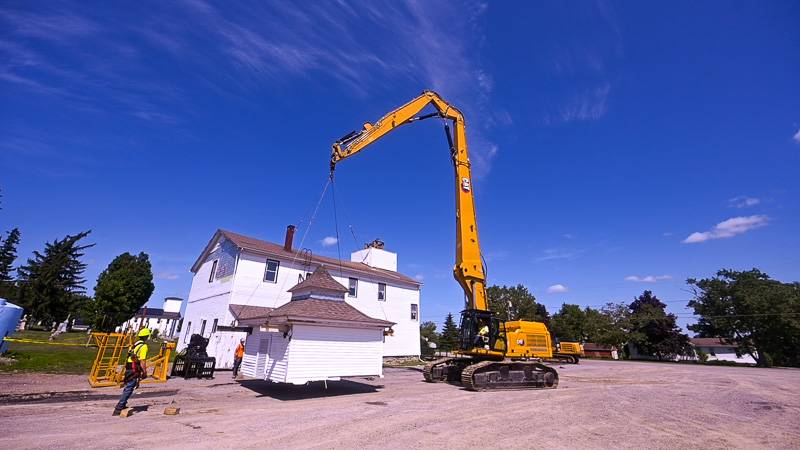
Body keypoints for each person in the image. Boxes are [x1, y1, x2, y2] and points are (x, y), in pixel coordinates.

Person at [113, 328, 150, 416]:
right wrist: (144, 372)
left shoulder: (135, 345)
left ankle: (123, 404)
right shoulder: (144, 346)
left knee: (128, 386)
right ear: (147, 336)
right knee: (130, 387)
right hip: (134, 369)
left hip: (129, 367)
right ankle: (119, 407)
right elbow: (142, 361)